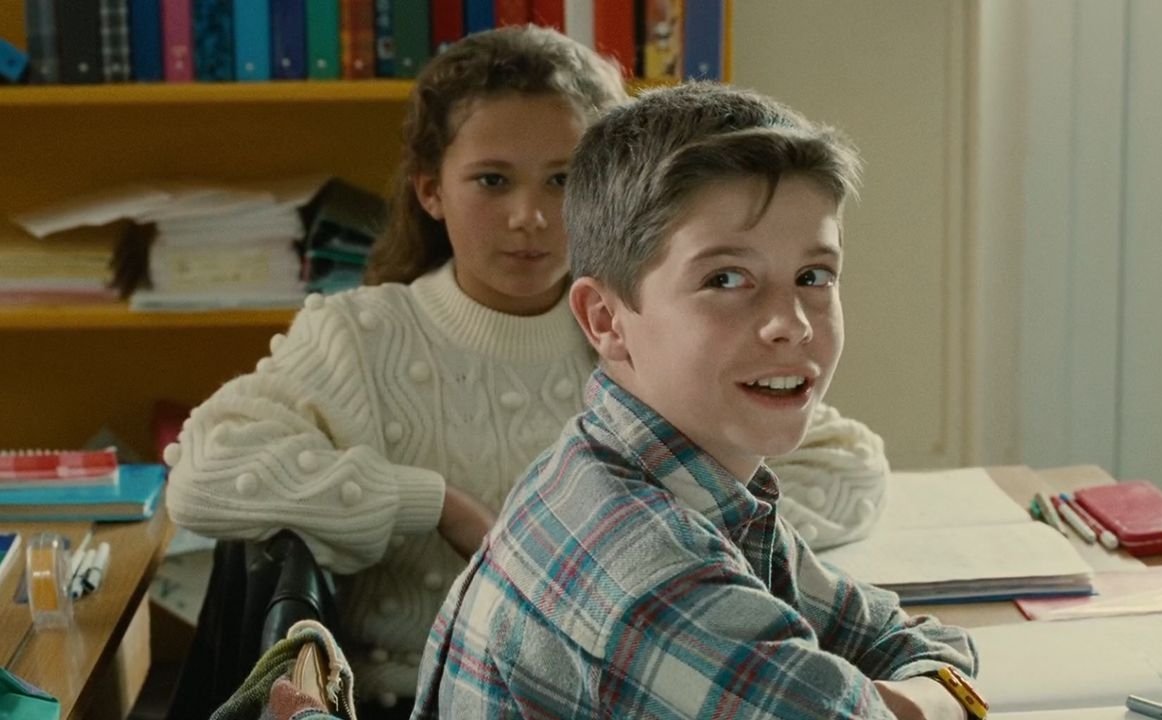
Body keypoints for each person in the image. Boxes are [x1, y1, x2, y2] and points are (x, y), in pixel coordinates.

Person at [164, 25, 890, 714]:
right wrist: (433, 503)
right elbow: (206, 474)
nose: (531, 217)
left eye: (562, 180)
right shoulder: (362, 336)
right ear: (430, 189)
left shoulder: (649, 334)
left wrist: (679, 558)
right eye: (492, 181)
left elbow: (846, 464)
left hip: (643, 672)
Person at [413, 83, 981, 720]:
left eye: (813, 276)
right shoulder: (650, 574)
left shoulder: (657, 475)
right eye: (726, 279)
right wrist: (935, 701)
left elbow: (894, 636)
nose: (790, 323)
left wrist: (919, 697)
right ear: (605, 319)